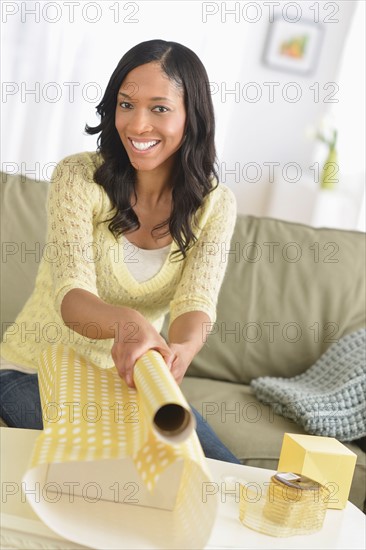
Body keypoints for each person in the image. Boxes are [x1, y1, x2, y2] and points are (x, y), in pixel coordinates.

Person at [0, 39, 239, 462]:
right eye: (126, 104)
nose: (137, 124)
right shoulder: (78, 177)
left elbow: (196, 302)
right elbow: (72, 298)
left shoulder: (215, 204)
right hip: (31, 370)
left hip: (132, 380)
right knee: (110, 471)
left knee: (222, 474)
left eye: (160, 108)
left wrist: (183, 349)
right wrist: (127, 323)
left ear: (192, 117)